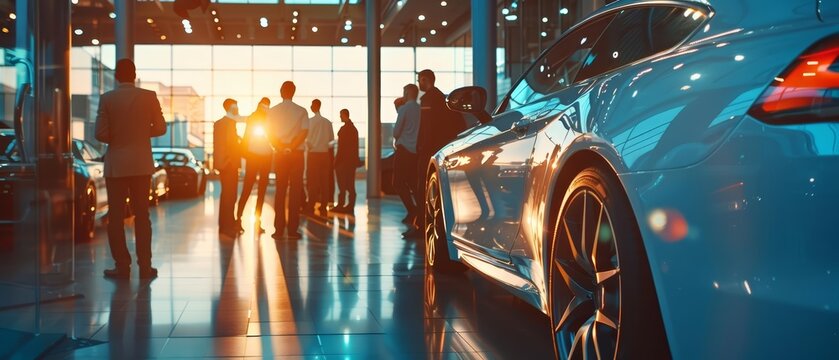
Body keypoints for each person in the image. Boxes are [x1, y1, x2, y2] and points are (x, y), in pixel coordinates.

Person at [94, 58, 166, 279]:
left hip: (116, 165)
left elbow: (100, 134)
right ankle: (145, 266)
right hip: (141, 164)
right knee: (142, 216)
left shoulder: (107, 99)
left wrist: (119, 135)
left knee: (115, 217)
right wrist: (141, 133)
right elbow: (161, 128)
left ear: (117, 76)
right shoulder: (149, 97)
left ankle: (122, 265)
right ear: (134, 75)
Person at [413, 69, 466, 237]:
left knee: (423, 187)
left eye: (420, 80)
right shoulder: (443, 98)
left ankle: (421, 225)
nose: (419, 84)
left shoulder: (428, 99)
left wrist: (422, 148)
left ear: (427, 80)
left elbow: (427, 127)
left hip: (429, 149)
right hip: (443, 148)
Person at [267, 81, 309, 240]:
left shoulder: (272, 111)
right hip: (296, 154)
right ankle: (292, 230)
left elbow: (268, 133)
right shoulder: (302, 111)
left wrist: (280, 146)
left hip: (279, 154)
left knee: (280, 190)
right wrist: (291, 146)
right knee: (295, 191)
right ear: (294, 92)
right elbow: (304, 132)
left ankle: (278, 230)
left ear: (280, 92)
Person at [236, 97, 273, 233]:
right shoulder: (255, 118)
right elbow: (247, 136)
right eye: (265, 105)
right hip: (256, 156)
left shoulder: (268, 117)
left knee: (257, 189)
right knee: (250, 188)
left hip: (261, 156)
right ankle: (240, 219)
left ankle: (254, 221)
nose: (266, 107)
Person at [393, 84, 422, 235]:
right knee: (413, 183)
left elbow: (396, 132)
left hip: (403, 149)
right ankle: (419, 212)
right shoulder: (420, 110)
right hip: (415, 152)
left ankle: (413, 210)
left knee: (397, 183)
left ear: (407, 92)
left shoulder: (404, 109)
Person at [214, 98, 242, 238]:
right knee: (229, 196)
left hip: (227, 165)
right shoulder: (227, 123)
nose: (237, 107)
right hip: (229, 165)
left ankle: (225, 225)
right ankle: (227, 227)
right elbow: (227, 145)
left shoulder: (224, 123)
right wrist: (228, 162)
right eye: (235, 105)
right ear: (230, 107)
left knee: (228, 196)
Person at [306, 99, 335, 215]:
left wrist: (311, 146)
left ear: (313, 107)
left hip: (313, 154)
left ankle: (311, 205)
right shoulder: (327, 122)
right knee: (324, 182)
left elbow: (306, 139)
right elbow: (331, 140)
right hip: (324, 154)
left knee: (312, 181)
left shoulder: (309, 122)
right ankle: (324, 205)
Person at [334, 109, 359, 214]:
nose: (340, 117)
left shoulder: (344, 130)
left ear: (344, 115)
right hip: (351, 162)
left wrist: (336, 161)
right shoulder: (354, 129)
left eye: (340, 115)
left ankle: (341, 205)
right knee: (350, 184)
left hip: (343, 162)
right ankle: (350, 205)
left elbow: (341, 148)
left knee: (342, 184)